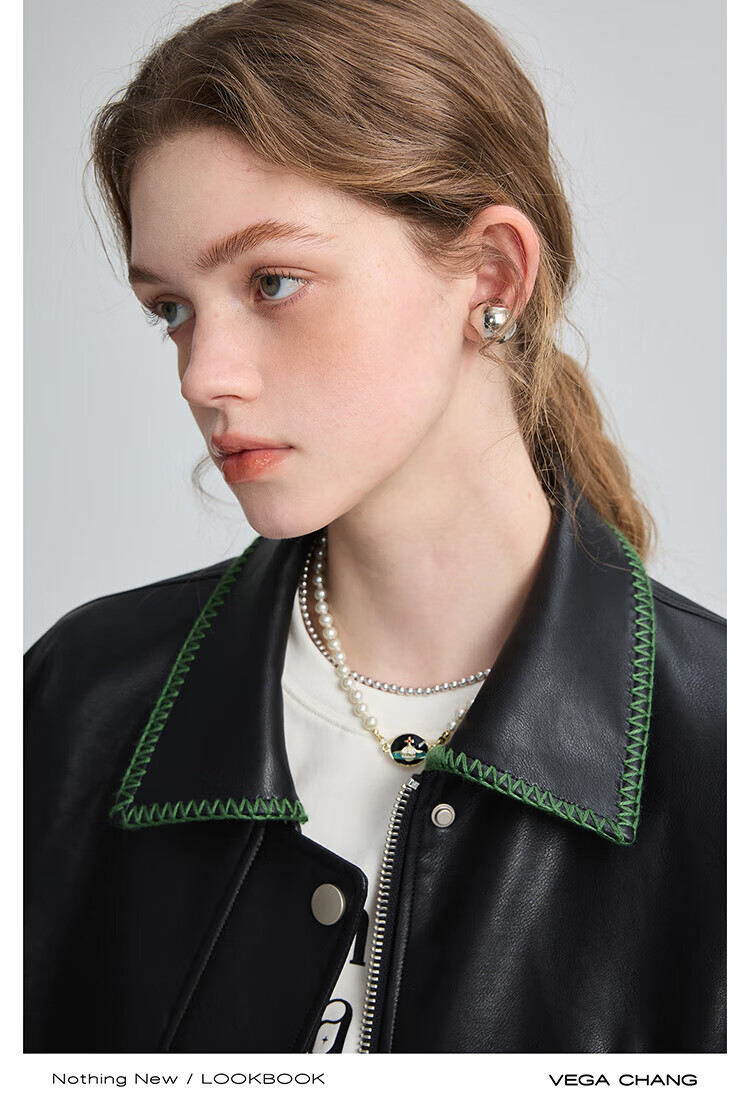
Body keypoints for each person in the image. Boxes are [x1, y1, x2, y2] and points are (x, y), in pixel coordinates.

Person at [24, 0, 725, 1054]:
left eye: (273, 282)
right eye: (172, 307)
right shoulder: (75, 700)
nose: (204, 376)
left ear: (492, 274)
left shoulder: (719, 752)